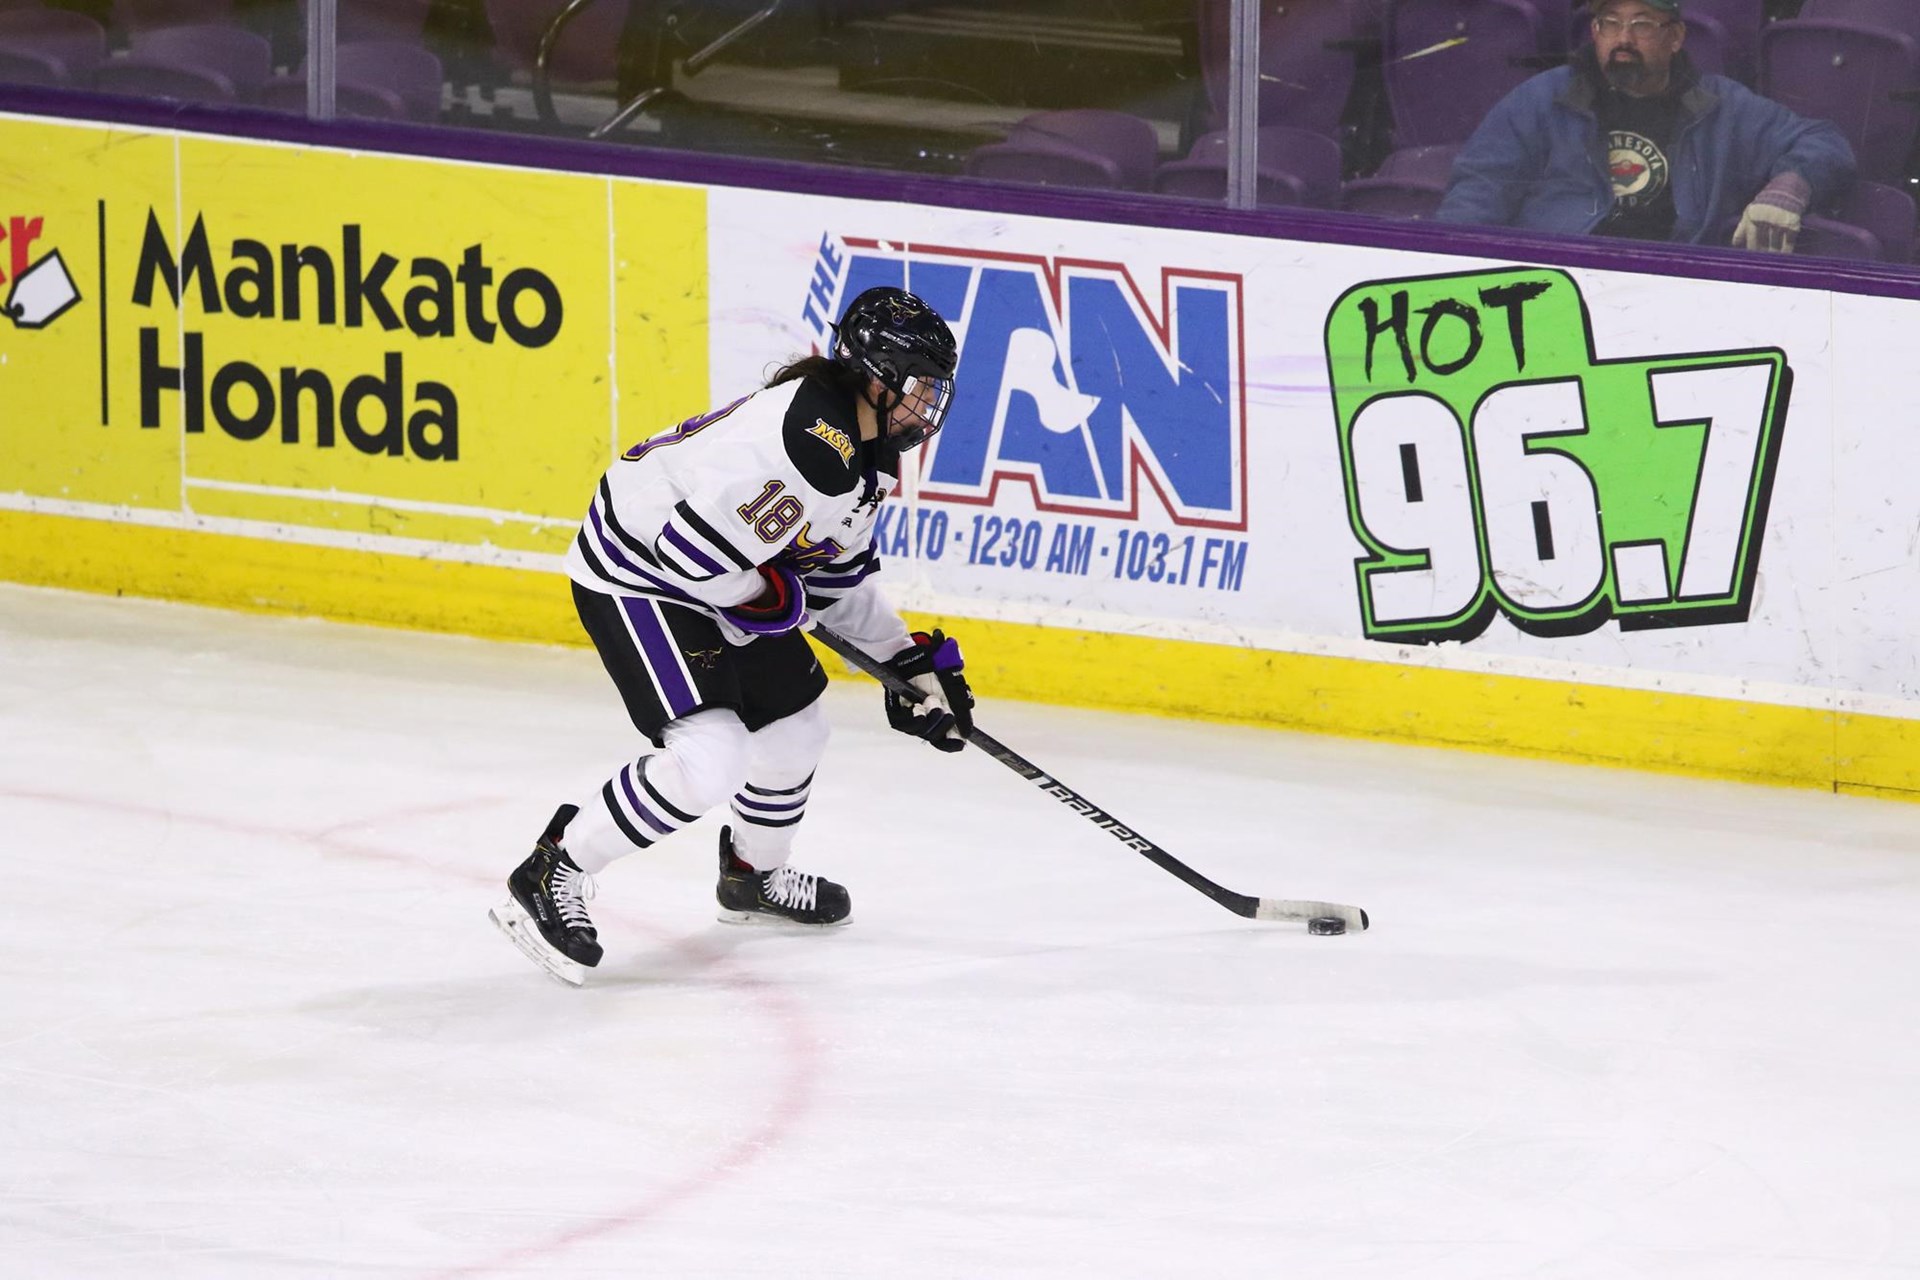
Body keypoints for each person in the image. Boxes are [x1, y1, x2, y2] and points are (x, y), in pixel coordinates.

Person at [490, 286, 976, 985]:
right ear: (874, 377)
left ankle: (752, 878)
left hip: (720, 573)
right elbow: (687, 557)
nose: (926, 408)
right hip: (638, 572)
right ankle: (552, 868)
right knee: (709, 759)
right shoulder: (810, 450)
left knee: (796, 732)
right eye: (917, 389)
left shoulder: (860, 458)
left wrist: (906, 663)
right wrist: (769, 598)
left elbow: (833, 585)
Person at [1434, 0, 1855, 253]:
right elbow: (1477, 194)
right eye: (1610, 23)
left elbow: (1824, 141)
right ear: (1594, 32)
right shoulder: (1542, 98)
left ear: (1675, 38)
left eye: (1641, 24)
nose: (1623, 39)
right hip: (1557, 280)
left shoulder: (1722, 106)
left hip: (1666, 291)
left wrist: (1787, 189)